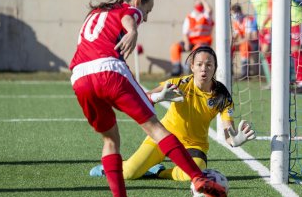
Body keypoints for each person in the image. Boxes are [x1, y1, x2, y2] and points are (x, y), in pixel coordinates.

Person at [69, 0, 227, 197]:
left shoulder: (95, 13)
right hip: (108, 69)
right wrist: (132, 30)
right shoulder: (129, 10)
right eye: (148, 11)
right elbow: (129, 18)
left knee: (110, 140)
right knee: (155, 128)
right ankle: (198, 178)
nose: (147, 17)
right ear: (137, 2)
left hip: (79, 77)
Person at [89, 46, 256, 181]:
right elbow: (142, 99)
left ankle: (159, 172)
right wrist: (158, 97)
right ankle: (110, 168)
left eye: (209, 65)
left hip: (194, 145)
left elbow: (229, 132)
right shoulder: (179, 84)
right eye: (199, 64)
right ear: (192, 67)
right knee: (129, 174)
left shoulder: (222, 96)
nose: (204, 69)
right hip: (163, 136)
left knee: (194, 172)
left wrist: (235, 140)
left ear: (215, 68)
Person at [170, 0, 214, 76]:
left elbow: (209, 10)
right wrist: (186, 43)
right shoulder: (190, 17)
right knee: (175, 47)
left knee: (196, 50)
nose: (199, 6)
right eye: (197, 4)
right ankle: (177, 69)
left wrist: (203, 0)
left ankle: (190, 68)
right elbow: (185, 33)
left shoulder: (206, 15)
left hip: (203, 42)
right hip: (190, 41)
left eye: (201, 4)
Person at [250, 0, 272, 87]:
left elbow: (271, 6)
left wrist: (267, 20)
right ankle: (271, 81)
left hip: (269, 25)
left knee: (265, 52)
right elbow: (255, 12)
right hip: (260, 27)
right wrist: (253, 27)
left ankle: (274, 80)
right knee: (267, 54)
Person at [231, 3, 259, 79]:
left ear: (240, 12)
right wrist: (232, 44)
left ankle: (245, 73)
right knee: (230, 48)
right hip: (244, 41)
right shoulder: (235, 22)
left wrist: (237, 43)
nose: (234, 16)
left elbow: (248, 37)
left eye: (235, 13)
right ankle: (230, 72)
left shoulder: (247, 20)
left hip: (254, 43)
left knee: (244, 46)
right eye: (232, 14)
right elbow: (235, 36)